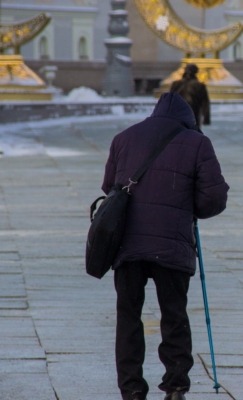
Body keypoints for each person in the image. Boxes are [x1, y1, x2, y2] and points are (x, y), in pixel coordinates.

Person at [101, 91, 229, 400]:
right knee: (174, 314)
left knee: (128, 315)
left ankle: (131, 388)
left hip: (128, 244)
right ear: (188, 120)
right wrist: (187, 205)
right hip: (172, 244)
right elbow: (214, 198)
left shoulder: (124, 138)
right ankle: (175, 387)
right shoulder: (198, 143)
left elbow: (109, 188)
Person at [170, 63, 211, 128]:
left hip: (177, 114)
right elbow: (205, 103)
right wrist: (206, 118)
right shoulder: (200, 85)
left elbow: (169, 100)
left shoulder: (176, 84)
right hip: (193, 114)